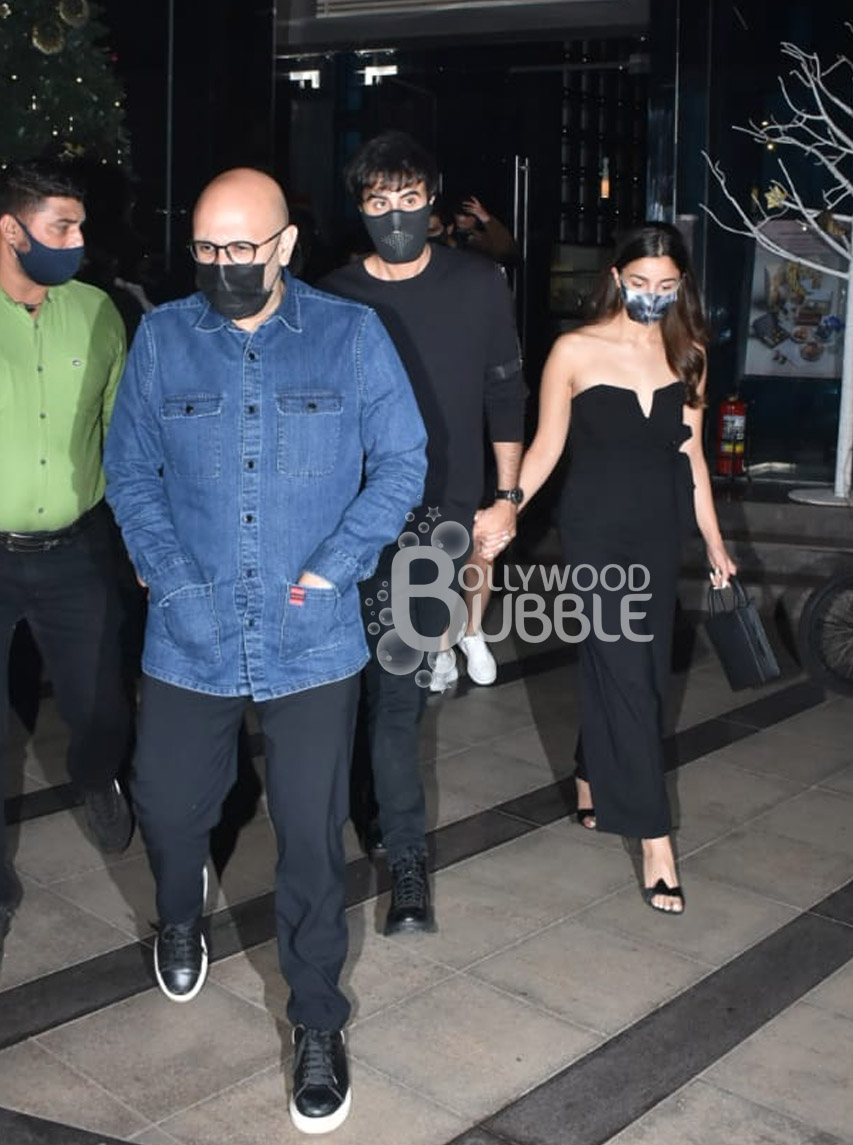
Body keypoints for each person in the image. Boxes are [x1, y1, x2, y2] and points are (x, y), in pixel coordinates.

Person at [103, 167, 426, 1135]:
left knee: (310, 842)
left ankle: (317, 1021)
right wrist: (170, 574)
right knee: (167, 806)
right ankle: (179, 911)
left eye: (242, 247)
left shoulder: (351, 334)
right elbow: (130, 470)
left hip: (310, 637)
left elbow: (401, 460)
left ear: (285, 244)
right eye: (206, 248)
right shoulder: (163, 337)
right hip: (191, 628)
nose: (223, 265)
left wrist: (336, 566)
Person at [483, 222, 736, 914]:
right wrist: (507, 505)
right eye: (640, 282)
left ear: (681, 285)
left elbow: (691, 456)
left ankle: (590, 770)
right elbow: (545, 446)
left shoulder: (689, 353)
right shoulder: (574, 349)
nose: (652, 295)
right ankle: (656, 840)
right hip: (595, 532)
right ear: (616, 277)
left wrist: (713, 540)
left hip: (658, 530)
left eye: (667, 285)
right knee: (630, 676)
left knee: (637, 666)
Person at [320, 131, 527, 933]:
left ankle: (406, 864)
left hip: (437, 516)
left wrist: (504, 498)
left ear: (432, 200)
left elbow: (503, 391)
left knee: (399, 691)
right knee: (347, 691)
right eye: (379, 201)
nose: (396, 215)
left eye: (409, 198)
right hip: (348, 515)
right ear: (360, 208)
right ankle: (367, 808)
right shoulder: (333, 294)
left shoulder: (477, 284)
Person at [0, 161, 135, 964]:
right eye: (62, 227)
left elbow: (122, 432)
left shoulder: (97, 313)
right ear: (10, 229)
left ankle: (95, 775)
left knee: (101, 707)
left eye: (79, 225)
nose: (79, 241)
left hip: (76, 549)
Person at [452, 195, 520, 267]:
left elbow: (505, 252)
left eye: (468, 215)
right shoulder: (449, 236)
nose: (462, 219)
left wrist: (487, 220)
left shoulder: (485, 239)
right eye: (459, 214)